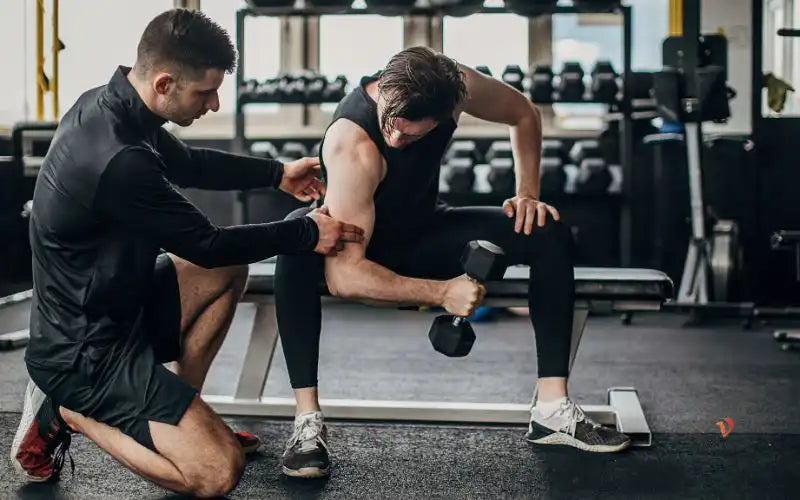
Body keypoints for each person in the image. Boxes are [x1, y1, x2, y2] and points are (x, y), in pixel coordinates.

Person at [9, 8, 364, 498]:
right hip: (85, 354)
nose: (215, 104)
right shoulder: (120, 161)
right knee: (218, 472)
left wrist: (276, 173)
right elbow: (206, 243)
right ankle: (67, 410)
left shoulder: (116, 107)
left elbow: (190, 164)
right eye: (205, 92)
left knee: (226, 273)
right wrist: (306, 235)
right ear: (164, 83)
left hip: (118, 306)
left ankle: (181, 412)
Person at [275, 47, 631, 478]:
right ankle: (307, 424)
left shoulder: (457, 86)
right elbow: (347, 277)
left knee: (545, 229)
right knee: (297, 235)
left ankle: (552, 408)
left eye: (411, 137)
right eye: (391, 124)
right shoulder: (354, 144)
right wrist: (443, 292)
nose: (395, 140)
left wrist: (527, 194)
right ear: (385, 91)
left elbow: (523, 113)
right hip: (360, 249)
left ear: (449, 113)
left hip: (425, 228)